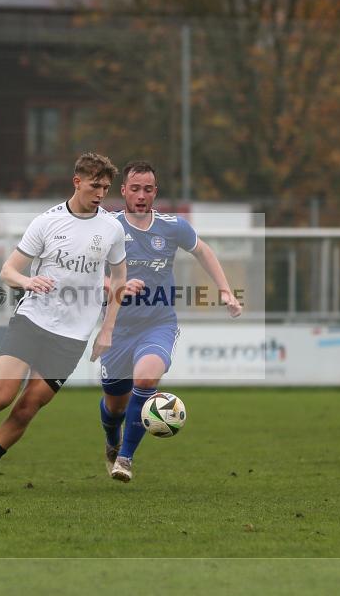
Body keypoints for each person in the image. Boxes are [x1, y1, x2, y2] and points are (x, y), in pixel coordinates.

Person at [0, 152, 139, 495]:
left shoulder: (112, 228)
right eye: (94, 186)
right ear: (77, 181)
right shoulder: (46, 223)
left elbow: (120, 278)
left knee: (26, 409)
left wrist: (107, 329)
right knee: (0, 398)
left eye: (106, 188)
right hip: (32, 321)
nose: (100, 193)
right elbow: (7, 271)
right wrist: (27, 281)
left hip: (71, 337)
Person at [99, 160, 243, 482]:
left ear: (155, 192)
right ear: (123, 191)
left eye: (148, 189)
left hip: (158, 323)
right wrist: (113, 285)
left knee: (146, 380)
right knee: (114, 406)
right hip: (117, 327)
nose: (141, 195)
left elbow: (203, 251)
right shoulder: (107, 226)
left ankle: (125, 458)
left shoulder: (172, 226)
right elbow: (87, 270)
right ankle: (112, 439)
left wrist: (225, 290)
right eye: (135, 189)